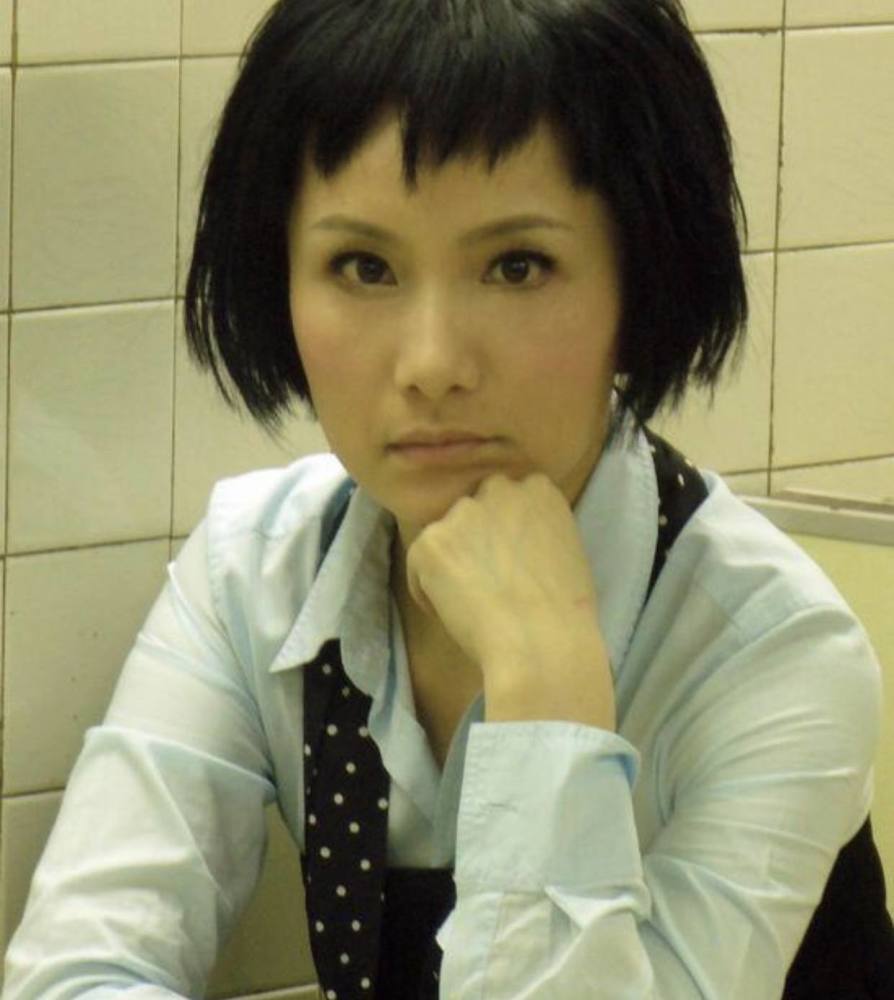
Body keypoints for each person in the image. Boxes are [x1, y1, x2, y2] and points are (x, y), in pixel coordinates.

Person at [4, 0, 892, 997]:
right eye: (363, 267)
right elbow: (76, 971)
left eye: (517, 266)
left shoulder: (770, 653)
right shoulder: (254, 570)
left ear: (642, 278)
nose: (431, 364)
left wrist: (546, 688)